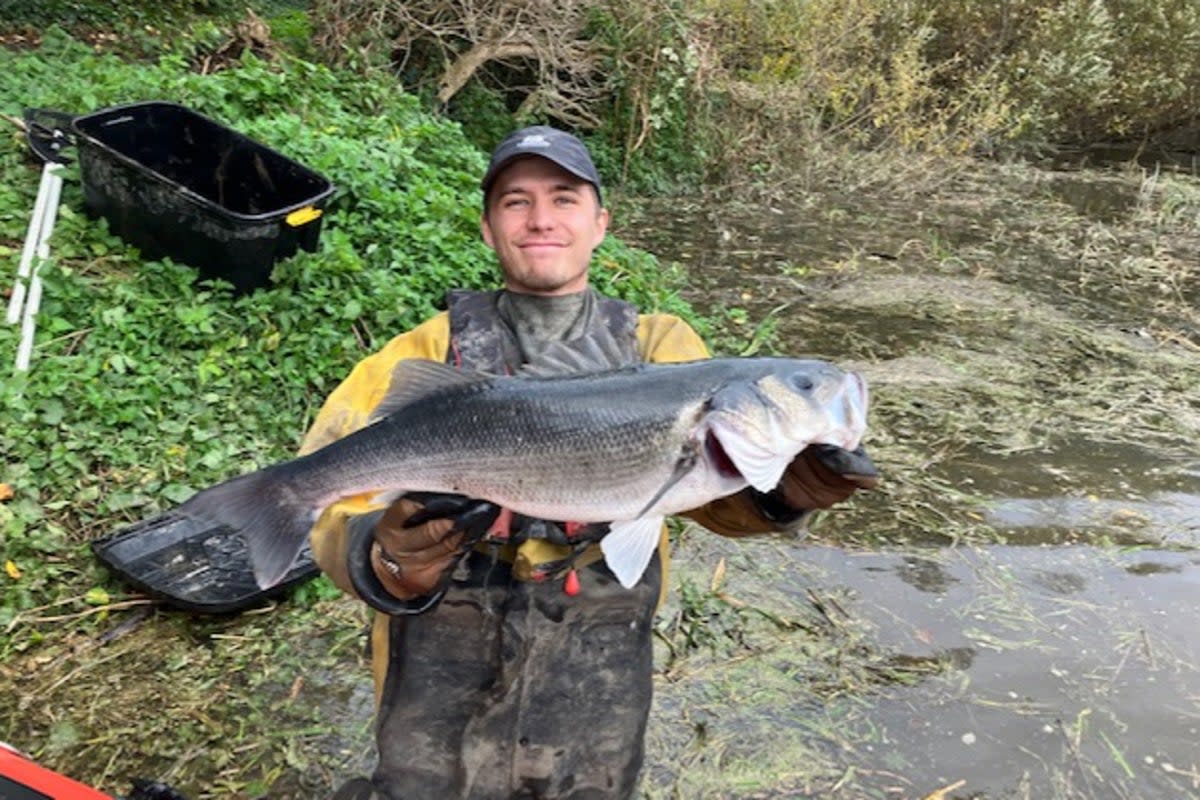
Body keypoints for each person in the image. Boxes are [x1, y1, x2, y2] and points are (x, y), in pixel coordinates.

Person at [307, 126, 879, 800]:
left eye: (565, 198)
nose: (542, 218)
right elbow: (326, 496)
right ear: (488, 227)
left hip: (601, 652)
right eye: (516, 202)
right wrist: (389, 557)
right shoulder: (419, 355)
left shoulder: (663, 347)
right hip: (437, 654)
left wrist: (781, 497)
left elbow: (711, 501)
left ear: (600, 222)